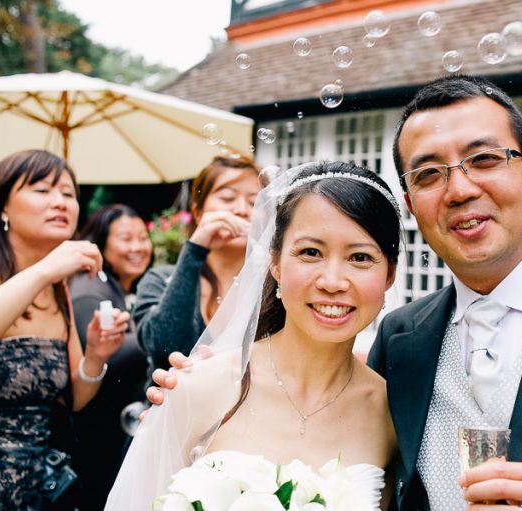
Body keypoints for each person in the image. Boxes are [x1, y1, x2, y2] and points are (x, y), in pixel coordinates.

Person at [151, 75, 522, 511]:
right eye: (428, 174)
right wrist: (200, 393)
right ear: (413, 204)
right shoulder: (401, 340)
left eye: (485, 159)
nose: (461, 188)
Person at [106, 161, 401, 510]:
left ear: (390, 275)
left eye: (360, 257)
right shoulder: (199, 386)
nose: (333, 282)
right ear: (274, 261)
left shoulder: (393, 413)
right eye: (310, 252)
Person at [0, 149, 129, 509]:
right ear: (2, 207)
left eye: (68, 193)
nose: (59, 202)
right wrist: (43, 270)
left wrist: (95, 355)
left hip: (31, 492)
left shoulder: (58, 287)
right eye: (42, 191)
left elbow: (74, 398)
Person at [133, 155, 261, 371]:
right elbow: (163, 348)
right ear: (198, 213)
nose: (241, 209)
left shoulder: (276, 286)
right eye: (228, 198)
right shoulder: (160, 280)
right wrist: (195, 248)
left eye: (255, 201)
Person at [68, 204, 152, 510]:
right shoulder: (90, 291)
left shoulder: (117, 286)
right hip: (95, 440)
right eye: (126, 238)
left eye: (143, 237)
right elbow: (105, 355)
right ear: (101, 244)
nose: (138, 247)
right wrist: (156, 335)